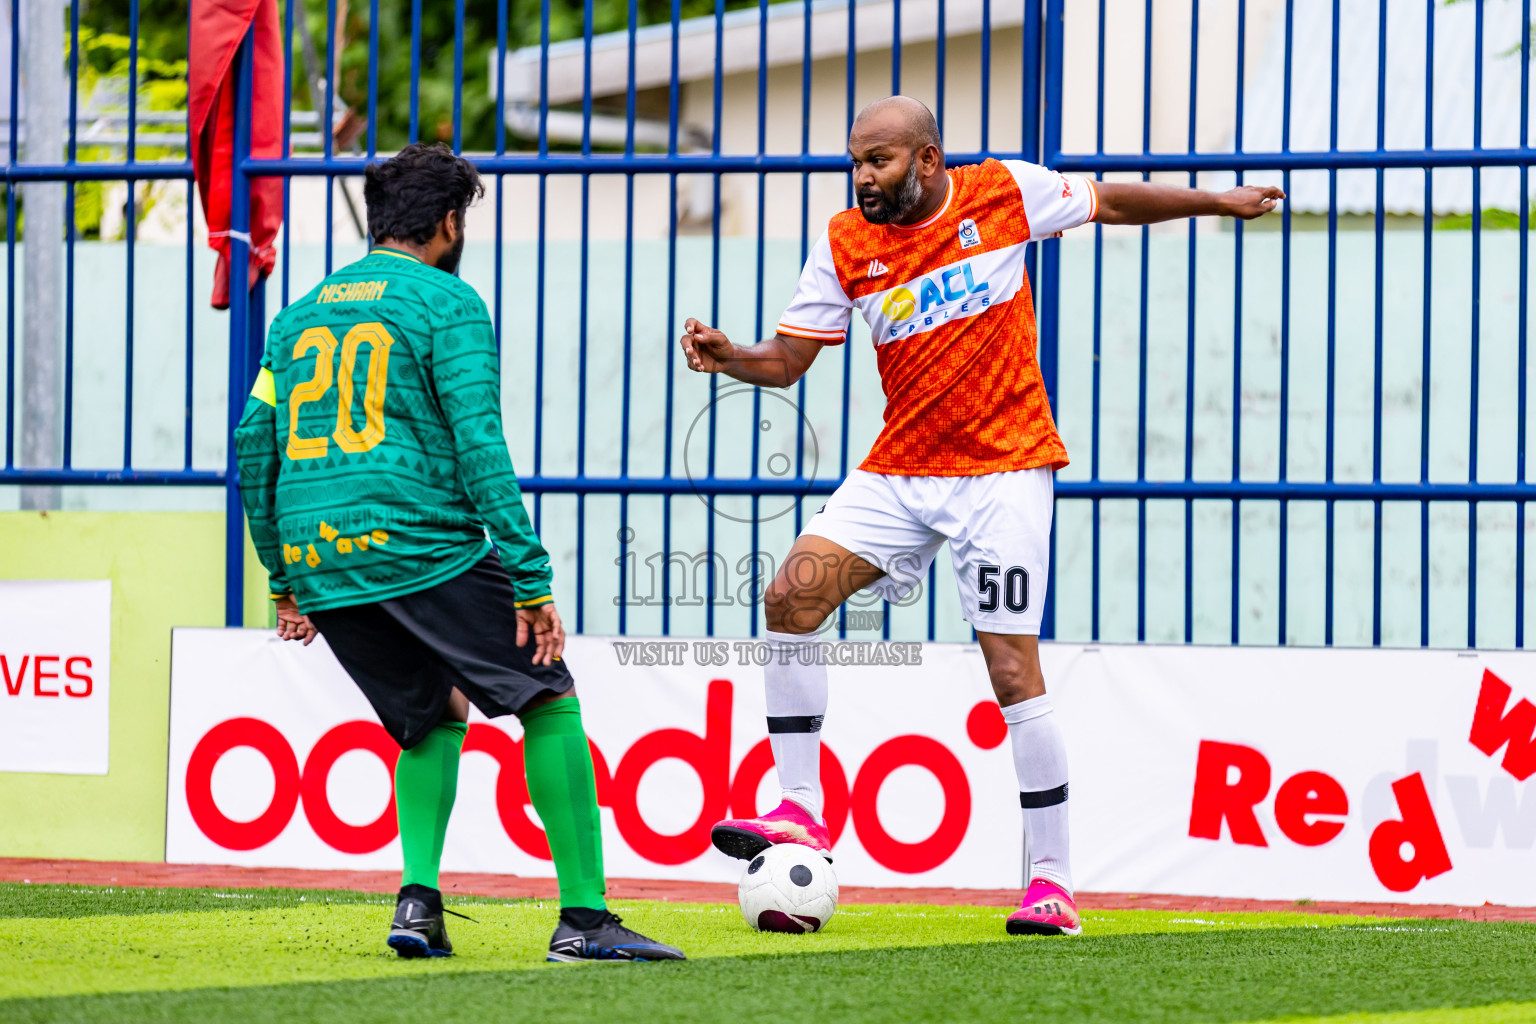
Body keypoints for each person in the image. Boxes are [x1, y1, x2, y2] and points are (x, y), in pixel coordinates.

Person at [681, 96, 1282, 937]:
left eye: (880, 161)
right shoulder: (845, 243)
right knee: (791, 597)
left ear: (927, 160)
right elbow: (786, 363)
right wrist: (730, 357)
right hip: (901, 468)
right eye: (856, 162)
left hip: (1003, 469)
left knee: (1009, 671)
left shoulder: (1003, 191)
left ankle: (1051, 884)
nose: (863, 177)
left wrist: (1217, 202)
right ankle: (801, 811)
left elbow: (1109, 202)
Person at [235, 142, 684, 963]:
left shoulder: (298, 314)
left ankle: (418, 906)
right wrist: (529, 576)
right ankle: (585, 921)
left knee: (430, 715)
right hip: (418, 542)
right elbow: (480, 444)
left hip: (322, 559)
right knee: (547, 697)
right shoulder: (449, 304)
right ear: (449, 221)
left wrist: (283, 576)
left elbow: (253, 442)